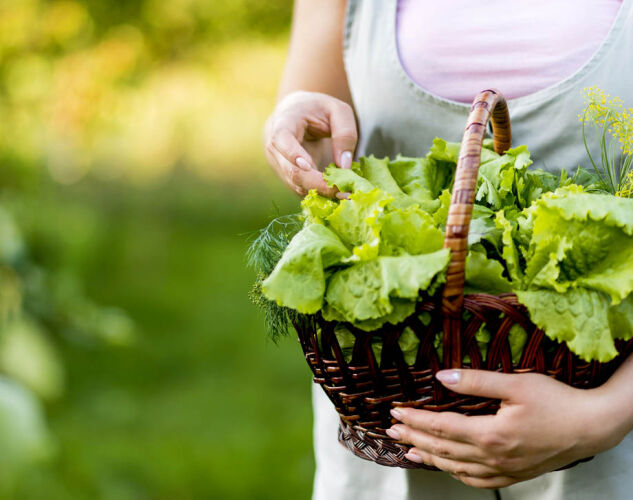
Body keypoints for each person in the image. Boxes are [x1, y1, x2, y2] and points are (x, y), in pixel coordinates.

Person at [263, 1, 633, 499]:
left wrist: (604, 416)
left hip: (611, 439)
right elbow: (322, 128)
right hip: (397, 414)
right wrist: (294, 126)